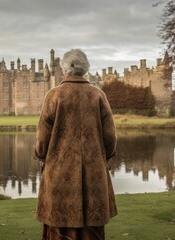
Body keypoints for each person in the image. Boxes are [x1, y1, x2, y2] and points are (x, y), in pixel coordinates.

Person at [34, 49, 117, 240]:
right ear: (85, 69)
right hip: (93, 171)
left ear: (64, 69)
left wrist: (41, 155)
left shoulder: (54, 95)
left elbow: (41, 140)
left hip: (59, 170)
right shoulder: (97, 95)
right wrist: (104, 157)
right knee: (91, 226)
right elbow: (110, 137)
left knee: (59, 222)